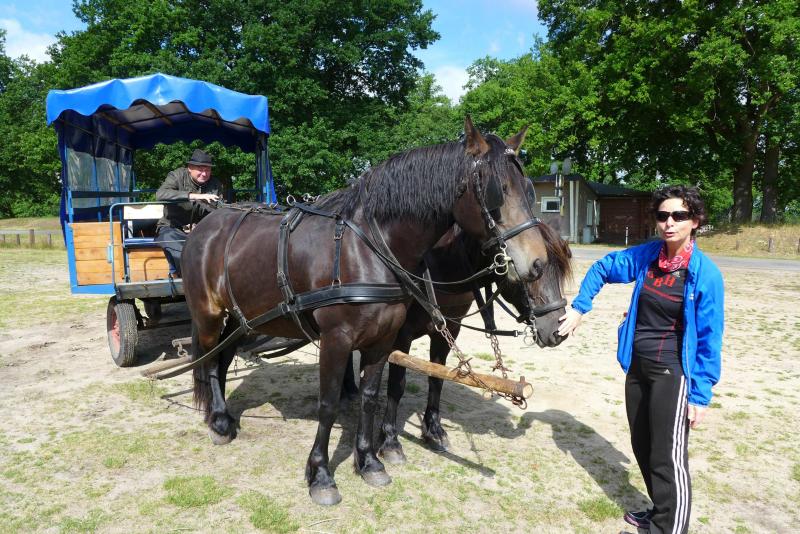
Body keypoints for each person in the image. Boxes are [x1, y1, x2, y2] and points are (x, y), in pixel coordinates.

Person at [557, 185, 724, 534]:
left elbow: (710, 339)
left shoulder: (705, 273)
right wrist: (580, 307)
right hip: (637, 366)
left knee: (667, 455)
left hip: (672, 373)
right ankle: (661, 512)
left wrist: (700, 394)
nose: (669, 223)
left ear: (695, 221)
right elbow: (603, 267)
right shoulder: (648, 256)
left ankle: (669, 528)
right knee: (643, 444)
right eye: (663, 216)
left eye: (679, 215)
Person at [154, 149, 222, 277]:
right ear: (190, 168)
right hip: (172, 227)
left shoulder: (215, 184)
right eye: (200, 169)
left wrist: (201, 225)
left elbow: (217, 209)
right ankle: (182, 276)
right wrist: (193, 196)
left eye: (207, 170)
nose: (204, 173)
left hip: (203, 229)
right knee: (179, 248)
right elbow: (161, 194)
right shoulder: (177, 176)